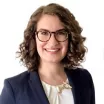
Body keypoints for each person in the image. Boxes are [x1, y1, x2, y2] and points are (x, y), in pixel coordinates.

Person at [0, 3, 95, 104]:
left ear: (71, 38)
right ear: (33, 38)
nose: (53, 42)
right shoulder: (14, 88)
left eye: (61, 33)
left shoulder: (84, 79)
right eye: (44, 33)